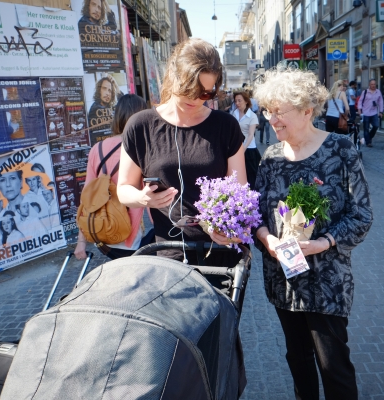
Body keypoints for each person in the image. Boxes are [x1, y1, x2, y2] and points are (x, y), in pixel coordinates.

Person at [253, 68, 373, 400]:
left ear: (307, 111)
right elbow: (255, 216)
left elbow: (361, 214)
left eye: (280, 112)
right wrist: (267, 239)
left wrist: (323, 242)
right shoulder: (271, 158)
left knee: (333, 366)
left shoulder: (340, 150)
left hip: (327, 280)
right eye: (268, 111)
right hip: (284, 280)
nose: (272, 119)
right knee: (299, 361)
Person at [117, 38, 247, 267]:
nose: (197, 100)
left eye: (207, 94)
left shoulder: (226, 126)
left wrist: (234, 228)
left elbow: (239, 193)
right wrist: (142, 198)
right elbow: (123, 190)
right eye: (191, 90)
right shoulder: (141, 125)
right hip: (169, 255)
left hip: (219, 252)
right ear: (173, 75)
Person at [75, 94, 150, 261]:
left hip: (101, 230)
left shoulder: (97, 148)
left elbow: (87, 196)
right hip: (128, 230)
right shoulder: (141, 147)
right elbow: (150, 194)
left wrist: (81, 242)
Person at [231, 90, 260, 188]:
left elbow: (251, 134)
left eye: (239, 101)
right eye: (236, 101)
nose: (237, 103)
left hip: (249, 149)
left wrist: (244, 148)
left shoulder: (252, 116)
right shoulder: (234, 113)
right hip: (236, 147)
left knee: (251, 176)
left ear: (246, 101)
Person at [357, 79, 384, 147]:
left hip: (374, 112)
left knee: (376, 126)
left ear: (376, 84)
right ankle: (368, 142)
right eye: (372, 84)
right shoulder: (365, 92)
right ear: (369, 85)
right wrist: (359, 109)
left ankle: (369, 137)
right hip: (366, 112)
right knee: (366, 128)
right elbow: (360, 101)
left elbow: (381, 102)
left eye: (374, 84)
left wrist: (381, 111)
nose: (373, 86)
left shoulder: (378, 92)